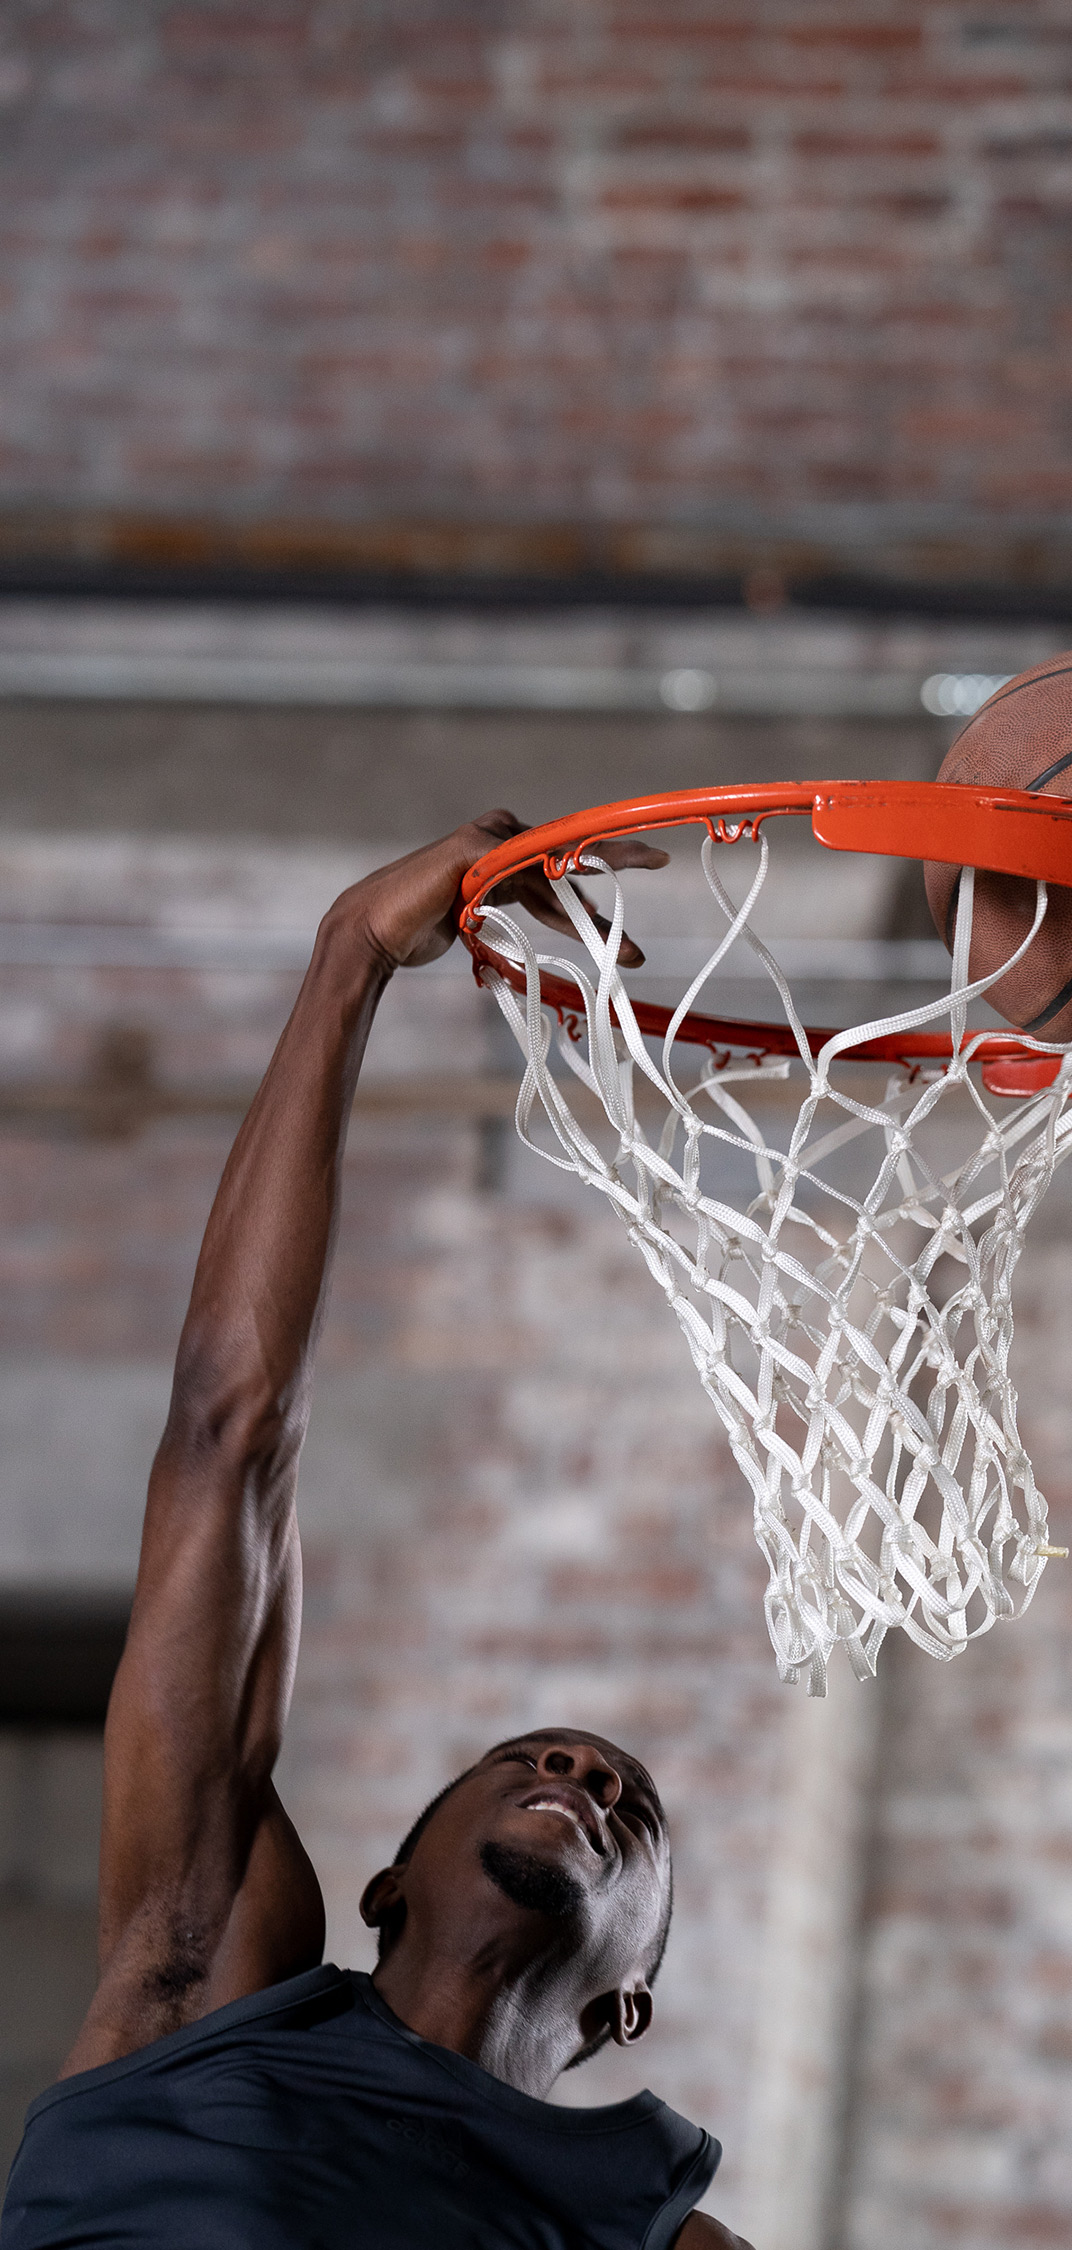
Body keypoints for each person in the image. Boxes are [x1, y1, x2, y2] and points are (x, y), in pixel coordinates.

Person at [1, 815, 749, 2250]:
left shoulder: (649, 2234)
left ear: (630, 1997)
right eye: (531, 1758)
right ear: (384, 1887)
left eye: (626, 1803)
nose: (578, 1766)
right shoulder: (201, 1974)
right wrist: (349, 957)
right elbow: (230, 1434)